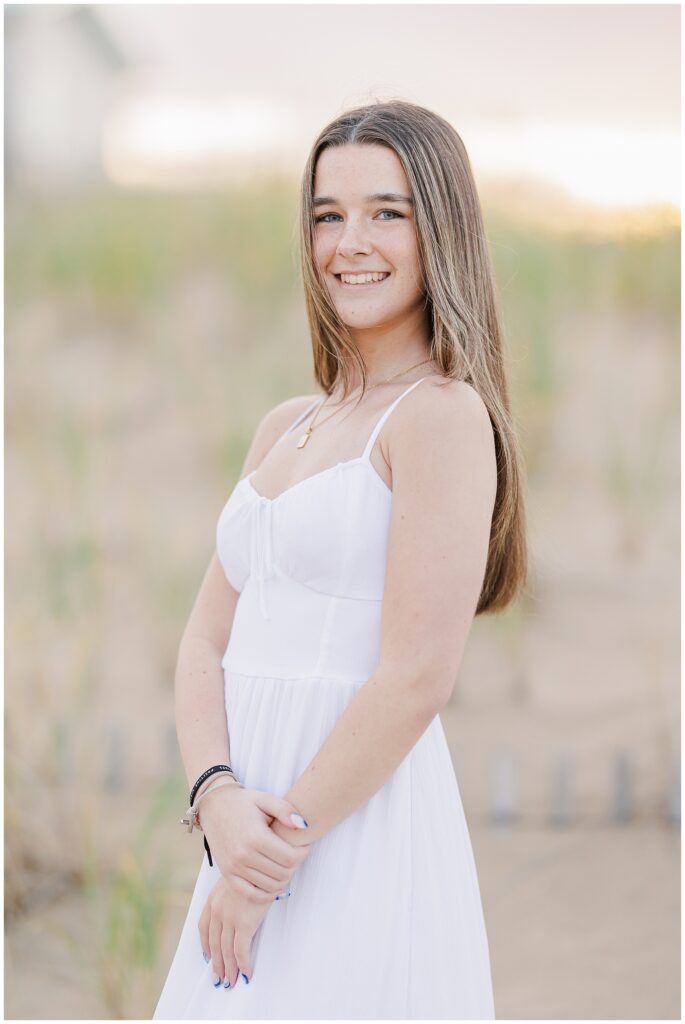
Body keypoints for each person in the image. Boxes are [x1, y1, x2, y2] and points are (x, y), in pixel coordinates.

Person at [153, 98, 527, 1020]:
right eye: (327, 215)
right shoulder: (287, 424)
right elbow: (205, 640)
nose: (348, 241)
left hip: (346, 828)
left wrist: (271, 857)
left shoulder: (439, 416)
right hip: (243, 828)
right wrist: (217, 801)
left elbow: (414, 678)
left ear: (439, 226)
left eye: (385, 212)